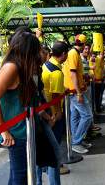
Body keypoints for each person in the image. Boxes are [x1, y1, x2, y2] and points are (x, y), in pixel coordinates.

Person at [0, 31, 42, 185]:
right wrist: (3, 130)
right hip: (15, 133)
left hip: (23, 131)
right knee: (20, 176)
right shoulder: (11, 67)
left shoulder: (20, 67)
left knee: (19, 175)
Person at [41, 41, 70, 176]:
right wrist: (57, 114)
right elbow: (55, 95)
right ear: (63, 54)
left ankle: (46, 166)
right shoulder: (57, 72)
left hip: (44, 110)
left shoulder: (46, 65)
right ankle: (55, 167)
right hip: (52, 112)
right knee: (55, 141)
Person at [63, 34, 93, 154]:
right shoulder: (74, 54)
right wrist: (79, 93)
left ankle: (77, 140)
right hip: (74, 92)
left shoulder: (73, 53)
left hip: (73, 90)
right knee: (87, 116)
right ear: (84, 44)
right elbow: (73, 74)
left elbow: (76, 73)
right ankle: (76, 141)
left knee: (75, 116)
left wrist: (83, 78)